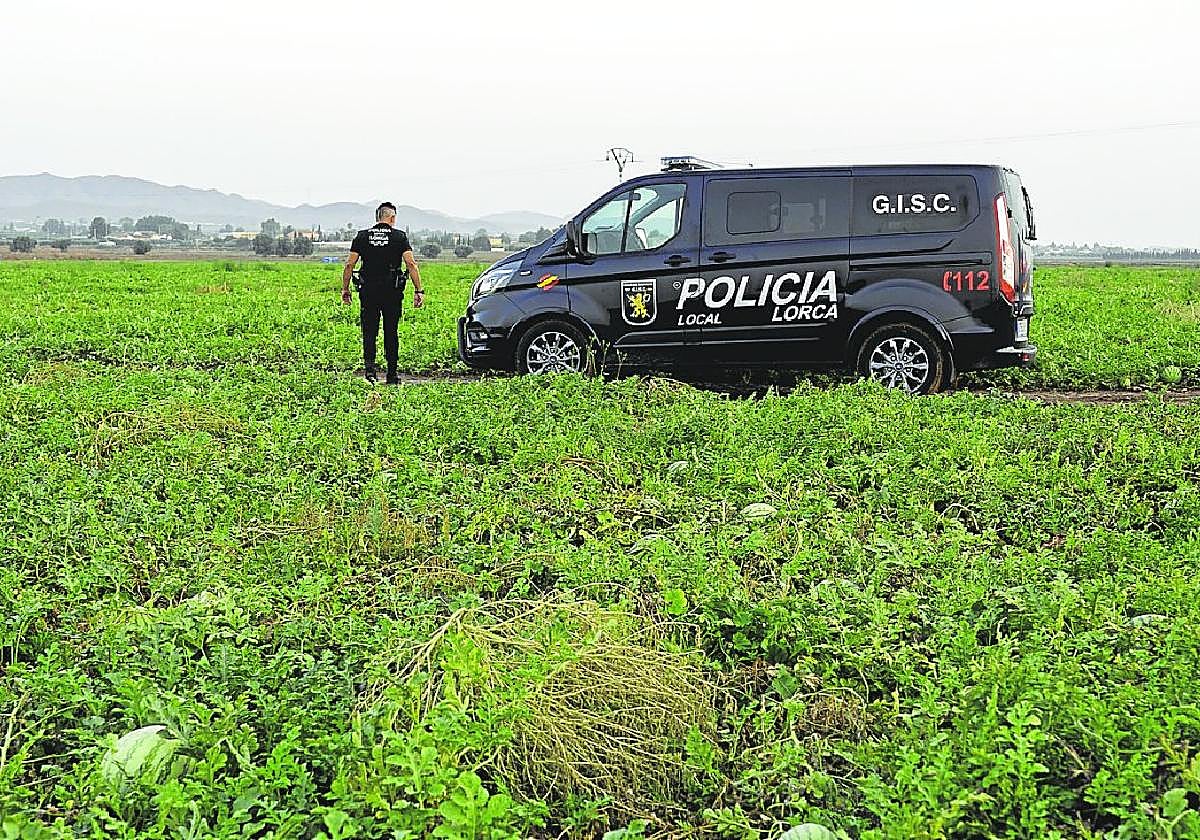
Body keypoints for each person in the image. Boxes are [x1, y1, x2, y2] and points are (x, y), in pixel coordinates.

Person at [341, 202, 425, 383]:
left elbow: (349, 264)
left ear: (377, 217)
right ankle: (392, 374)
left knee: (369, 331)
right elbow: (411, 264)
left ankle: (370, 373)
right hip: (392, 292)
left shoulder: (362, 236)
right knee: (391, 331)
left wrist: (345, 289)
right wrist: (419, 290)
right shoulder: (399, 237)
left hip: (368, 291)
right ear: (392, 218)